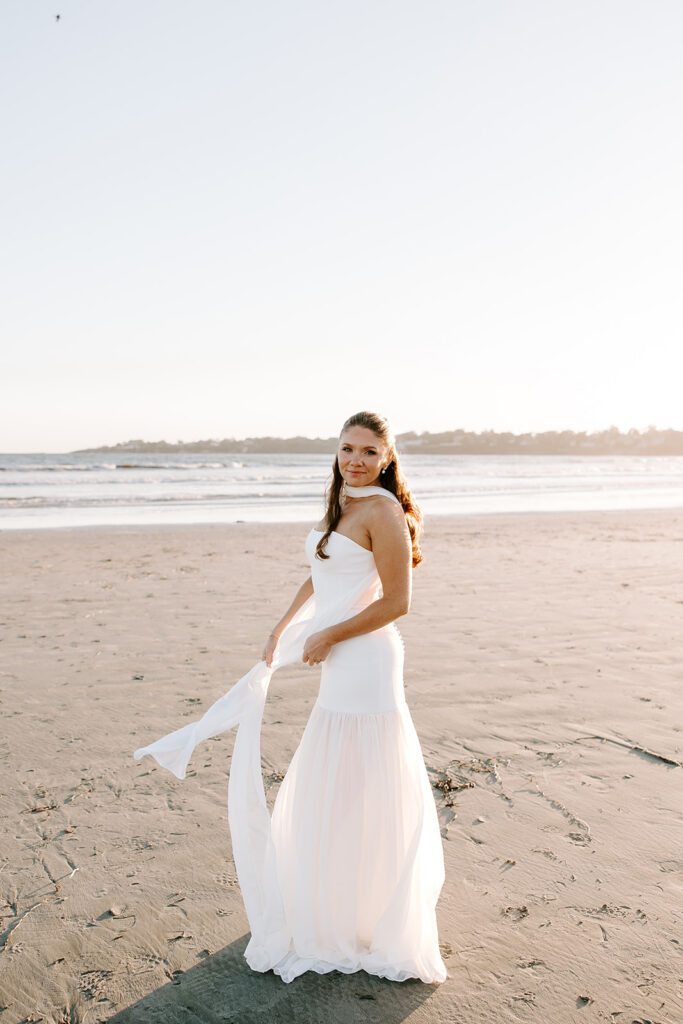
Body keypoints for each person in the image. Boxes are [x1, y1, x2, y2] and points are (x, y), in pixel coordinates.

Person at [133, 410, 447, 985]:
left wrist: (328, 635)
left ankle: (373, 912)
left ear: (387, 458)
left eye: (368, 452)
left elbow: (398, 602)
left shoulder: (383, 511)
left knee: (365, 779)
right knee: (339, 781)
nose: (355, 460)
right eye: (347, 448)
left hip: (368, 660)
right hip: (341, 658)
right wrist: (284, 626)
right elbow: (322, 570)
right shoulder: (345, 504)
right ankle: (337, 901)